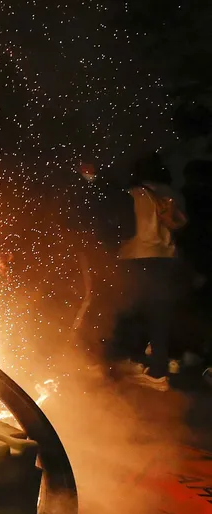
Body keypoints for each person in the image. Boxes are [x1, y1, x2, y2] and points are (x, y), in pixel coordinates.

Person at [107, 154, 187, 391]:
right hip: (165, 258)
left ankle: (133, 361)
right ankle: (157, 369)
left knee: (131, 310)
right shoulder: (173, 194)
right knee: (159, 314)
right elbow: (182, 225)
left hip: (136, 256)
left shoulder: (133, 195)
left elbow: (122, 227)